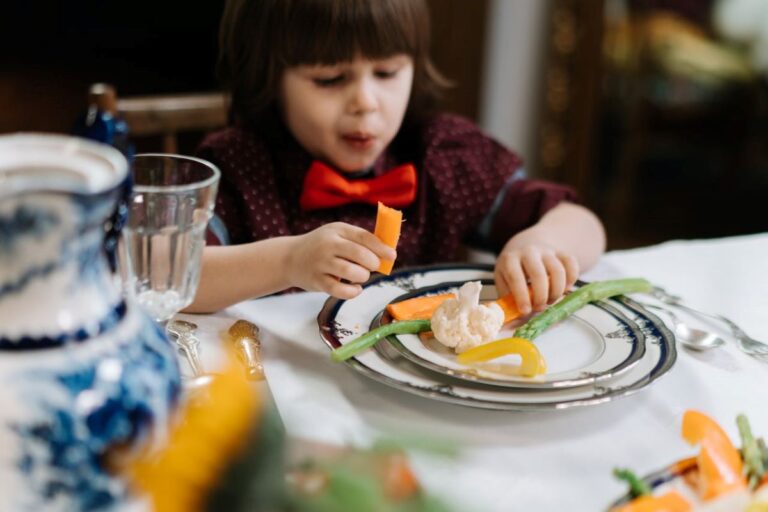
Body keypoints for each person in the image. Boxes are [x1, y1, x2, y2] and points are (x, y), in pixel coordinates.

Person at [188, 0, 605, 315]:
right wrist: (287, 261)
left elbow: (582, 222)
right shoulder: (240, 166)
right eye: (330, 79)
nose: (366, 102)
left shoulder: (442, 157)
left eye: (387, 73)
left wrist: (541, 244)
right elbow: (168, 273)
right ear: (269, 79)